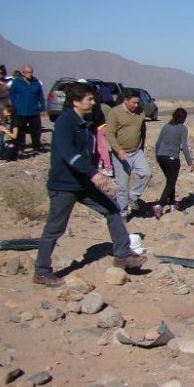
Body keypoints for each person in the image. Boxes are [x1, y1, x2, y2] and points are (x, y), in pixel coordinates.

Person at [33, 83, 146, 287]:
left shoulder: (83, 123)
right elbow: (69, 154)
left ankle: (122, 254)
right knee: (55, 228)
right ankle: (41, 271)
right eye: (89, 99)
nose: (94, 102)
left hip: (82, 184)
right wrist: (93, 172)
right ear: (76, 101)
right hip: (64, 185)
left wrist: (94, 171)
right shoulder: (65, 123)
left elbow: (87, 154)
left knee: (112, 209)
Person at [106, 88, 151, 220]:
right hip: (120, 154)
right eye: (133, 103)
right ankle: (122, 214)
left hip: (136, 152)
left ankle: (133, 196)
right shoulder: (115, 112)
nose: (136, 105)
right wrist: (118, 150)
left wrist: (142, 145)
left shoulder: (140, 112)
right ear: (126, 100)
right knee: (122, 186)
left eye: (138, 103)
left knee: (146, 173)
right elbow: (110, 134)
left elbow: (143, 129)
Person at [152, 107, 194, 219]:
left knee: (171, 180)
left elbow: (157, 143)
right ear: (183, 118)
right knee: (171, 182)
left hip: (161, 157)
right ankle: (160, 204)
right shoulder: (183, 129)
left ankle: (172, 204)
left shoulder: (166, 127)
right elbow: (184, 147)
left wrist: (157, 156)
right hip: (172, 158)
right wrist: (190, 162)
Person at [8, 64, 45, 153]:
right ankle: (21, 148)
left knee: (36, 131)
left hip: (34, 111)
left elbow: (41, 96)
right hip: (20, 112)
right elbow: (11, 94)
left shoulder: (36, 82)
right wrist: (15, 104)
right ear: (23, 73)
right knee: (20, 131)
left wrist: (43, 107)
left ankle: (36, 147)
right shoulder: (17, 82)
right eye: (28, 72)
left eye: (31, 72)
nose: (30, 74)